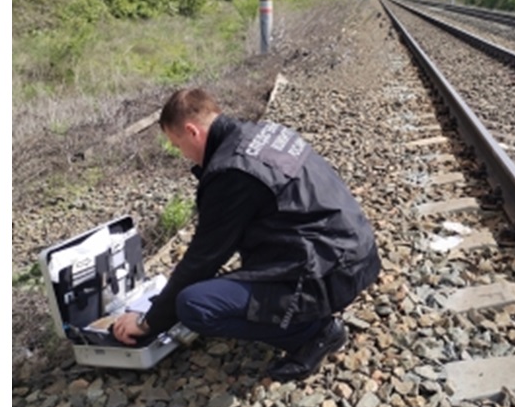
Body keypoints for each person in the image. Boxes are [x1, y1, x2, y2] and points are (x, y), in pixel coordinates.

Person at [113, 88, 381, 381]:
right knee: (219, 286)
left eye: (178, 145)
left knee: (194, 305)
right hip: (357, 254)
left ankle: (314, 333)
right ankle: (299, 315)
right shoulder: (262, 132)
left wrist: (149, 322)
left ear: (192, 131)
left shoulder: (231, 172)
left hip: (331, 273)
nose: (183, 155)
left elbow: (203, 258)